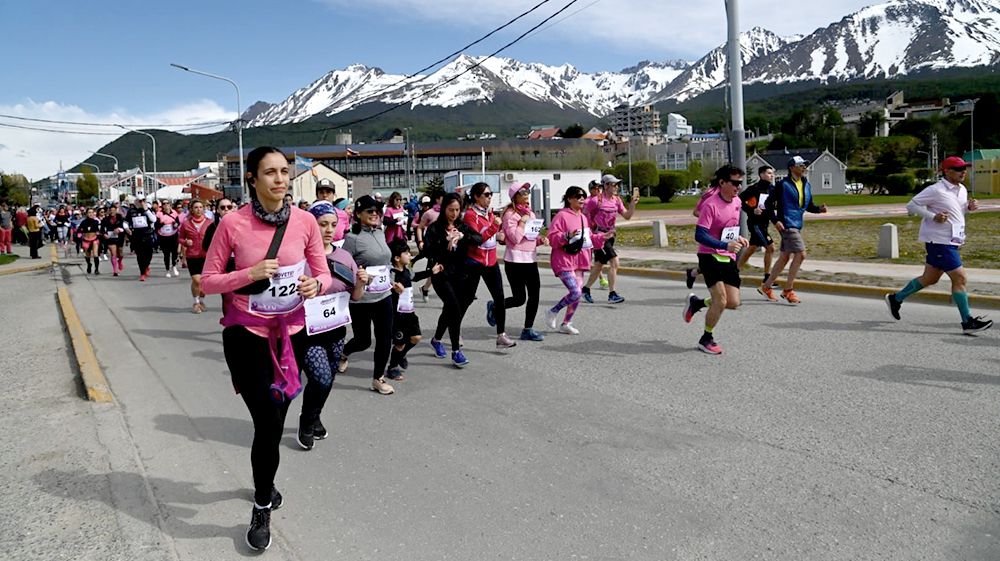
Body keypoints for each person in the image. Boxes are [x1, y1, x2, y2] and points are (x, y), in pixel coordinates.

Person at [201, 146, 330, 551]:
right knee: (268, 424)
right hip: (246, 335)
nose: (279, 179)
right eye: (270, 172)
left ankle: (265, 481)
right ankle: (261, 506)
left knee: (276, 419)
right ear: (252, 179)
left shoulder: (305, 221)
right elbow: (207, 280)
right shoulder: (232, 224)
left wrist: (315, 285)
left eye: (284, 172)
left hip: (292, 334)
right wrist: (248, 274)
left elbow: (323, 272)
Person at [884, 156, 992, 334]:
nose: (963, 172)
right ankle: (967, 322)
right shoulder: (936, 190)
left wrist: (969, 208)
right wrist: (932, 216)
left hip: (953, 240)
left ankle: (896, 299)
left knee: (930, 278)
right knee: (960, 278)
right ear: (947, 171)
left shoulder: (962, 189)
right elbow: (912, 205)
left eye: (964, 169)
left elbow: (958, 211)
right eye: (958, 169)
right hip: (939, 241)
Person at [297, 201, 366, 450]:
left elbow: (355, 295)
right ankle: (306, 421)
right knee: (321, 378)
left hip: (336, 329)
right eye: (322, 224)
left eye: (333, 224)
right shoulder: (299, 257)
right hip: (308, 331)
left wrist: (361, 282)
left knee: (328, 379)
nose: (328, 229)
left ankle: (314, 416)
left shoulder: (344, 256)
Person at [682, 165, 749, 355]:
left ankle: (697, 303)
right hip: (709, 255)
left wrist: (737, 238)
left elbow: (728, 228)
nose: (738, 187)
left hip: (727, 256)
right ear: (722, 183)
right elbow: (700, 235)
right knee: (720, 300)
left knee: (732, 302)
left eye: (740, 183)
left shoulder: (737, 201)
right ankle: (706, 338)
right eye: (734, 183)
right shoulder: (710, 205)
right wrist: (724, 245)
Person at [339, 195, 397, 395]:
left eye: (377, 211)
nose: (375, 214)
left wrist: (391, 279)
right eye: (369, 211)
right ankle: (344, 353)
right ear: (358, 214)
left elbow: (386, 262)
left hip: (384, 296)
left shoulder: (380, 232)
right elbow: (342, 267)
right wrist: (359, 277)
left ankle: (378, 379)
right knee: (363, 341)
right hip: (362, 299)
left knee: (385, 338)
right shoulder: (352, 238)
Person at [757, 155, 828, 304]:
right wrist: (775, 221)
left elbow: (808, 206)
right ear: (791, 168)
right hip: (787, 225)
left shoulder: (806, 184)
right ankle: (788, 290)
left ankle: (766, 287)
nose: (804, 167)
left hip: (797, 224)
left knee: (784, 257)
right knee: (801, 254)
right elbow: (768, 204)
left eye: (805, 165)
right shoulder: (782, 185)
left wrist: (819, 209)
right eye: (801, 165)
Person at [423, 193, 482, 367]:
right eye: (451, 210)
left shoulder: (462, 226)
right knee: (454, 308)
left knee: (449, 309)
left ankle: (436, 339)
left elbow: (479, 239)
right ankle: (456, 351)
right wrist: (445, 240)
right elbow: (428, 251)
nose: (454, 213)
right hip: (441, 274)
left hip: (460, 274)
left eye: (457, 210)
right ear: (444, 209)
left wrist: (463, 236)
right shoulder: (434, 228)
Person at [544, 186, 606, 335]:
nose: (582, 199)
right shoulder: (561, 215)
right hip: (563, 260)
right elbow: (552, 238)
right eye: (578, 196)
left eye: (583, 196)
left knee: (577, 293)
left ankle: (566, 323)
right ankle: (553, 311)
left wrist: (603, 237)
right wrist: (567, 236)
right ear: (569, 199)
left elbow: (588, 238)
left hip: (580, 260)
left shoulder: (583, 217)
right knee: (576, 292)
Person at [462, 182, 517, 349]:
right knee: (466, 298)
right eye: (486, 194)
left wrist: (500, 236)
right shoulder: (470, 215)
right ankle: (455, 329)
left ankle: (501, 335)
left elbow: (492, 235)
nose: (489, 197)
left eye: (490, 194)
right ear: (476, 197)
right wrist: (494, 227)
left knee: (499, 299)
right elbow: (479, 238)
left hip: (491, 261)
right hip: (474, 261)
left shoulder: (490, 213)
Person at [385, 239, 442, 380]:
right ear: (397, 258)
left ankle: (401, 355)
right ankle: (392, 368)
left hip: (409, 312)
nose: (409, 255)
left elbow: (415, 277)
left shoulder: (406, 270)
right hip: (397, 315)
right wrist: (394, 287)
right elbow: (387, 283)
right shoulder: (391, 272)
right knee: (399, 343)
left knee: (416, 337)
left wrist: (431, 271)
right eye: (406, 253)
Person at [580, 174, 638, 304]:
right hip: (599, 237)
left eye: (617, 184)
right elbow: (582, 216)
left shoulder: (617, 200)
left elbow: (627, 216)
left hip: (611, 236)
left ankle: (585, 289)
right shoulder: (595, 200)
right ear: (606, 186)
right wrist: (588, 233)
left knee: (599, 265)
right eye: (614, 184)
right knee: (614, 262)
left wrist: (632, 205)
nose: (617, 187)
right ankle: (612, 294)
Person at [500, 182, 546, 341]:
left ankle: (528, 329)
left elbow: (530, 238)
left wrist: (540, 240)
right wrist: (522, 222)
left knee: (535, 296)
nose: (527, 195)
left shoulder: (530, 214)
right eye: (523, 192)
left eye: (528, 192)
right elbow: (514, 239)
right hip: (514, 261)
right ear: (515, 196)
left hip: (530, 259)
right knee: (519, 299)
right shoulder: (509, 215)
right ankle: (495, 306)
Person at [737, 165, 777, 284]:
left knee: (752, 248)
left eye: (772, 173)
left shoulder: (773, 189)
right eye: (769, 173)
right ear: (761, 175)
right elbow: (739, 200)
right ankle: (767, 277)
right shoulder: (754, 189)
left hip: (765, 223)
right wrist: (752, 210)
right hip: (755, 223)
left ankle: (734, 271)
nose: (771, 175)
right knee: (771, 248)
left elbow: (773, 204)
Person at [178, 200, 211, 312]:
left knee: (204, 282)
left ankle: (201, 300)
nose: (199, 209)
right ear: (191, 209)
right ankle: (196, 302)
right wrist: (186, 242)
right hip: (192, 255)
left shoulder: (210, 223)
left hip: (207, 256)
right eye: (196, 207)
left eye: (201, 207)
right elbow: (180, 238)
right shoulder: (186, 224)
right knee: (197, 280)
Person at [414, 192, 442, 302]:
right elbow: (419, 227)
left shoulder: (447, 211)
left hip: (446, 246)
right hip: (433, 246)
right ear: (437, 199)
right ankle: (425, 288)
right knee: (435, 270)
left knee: (442, 270)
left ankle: (425, 288)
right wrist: (421, 241)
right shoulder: (429, 213)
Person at [124, 197, 157, 281]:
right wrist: (127, 228)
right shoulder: (131, 211)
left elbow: (154, 219)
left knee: (149, 254)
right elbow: (125, 222)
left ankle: (146, 266)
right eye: (139, 201)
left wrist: (146, 210)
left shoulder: (148, 210)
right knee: (139, 255)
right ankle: (142, 273)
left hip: (148, 234)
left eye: (143, 201)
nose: (141, 202)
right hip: (136, 235)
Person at [586, 180, 609, 290]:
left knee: (599, 257)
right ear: (590, 190)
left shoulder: (602, 200)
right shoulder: (587, 202)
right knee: (592, 256)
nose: (597, 190)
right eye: (594, 188)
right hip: (589, 232)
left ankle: (600, 279)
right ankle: (601, 279)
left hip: (599, 232)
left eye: (599, 188)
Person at [157, 201, 181, 278]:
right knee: (166, 254)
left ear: (170, 205)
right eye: (164, 204)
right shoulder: (159, 214)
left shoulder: (174, 212)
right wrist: (162, 224)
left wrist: (175, 224)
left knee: (174, 253)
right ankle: (167, 270)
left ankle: (174, 266)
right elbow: (156, 226)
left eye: (167, 203)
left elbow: (178, 223)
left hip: (173, 235)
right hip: (163, 236)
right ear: (162, 206)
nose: (166, 205)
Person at [101, 206, 126, 276]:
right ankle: (115, 271)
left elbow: (123, 227)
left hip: (119, 237)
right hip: (110, 238)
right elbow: (102, 229)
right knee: (113, 253)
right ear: (109, 211)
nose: (112, 212)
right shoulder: (105, 219)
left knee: (120, 254)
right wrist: (104, 234)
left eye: (113, 210)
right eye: (111, 210)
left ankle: (120, 261)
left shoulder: (120, 218)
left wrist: (119, 229)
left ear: (116, 211)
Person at [78, 208, 102, 274]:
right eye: (89, 212)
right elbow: (79, 230)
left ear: (94, 213)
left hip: (94, 239)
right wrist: (79, 234)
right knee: (87, 255)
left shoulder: (96, 221)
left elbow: (99, 230)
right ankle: (89, 264)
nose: (91, 214)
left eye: (92, 212)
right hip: (86, 240)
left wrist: (99, 233)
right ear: (86, 214)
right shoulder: (83, 222)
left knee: (95, 254)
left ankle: (96, 269)